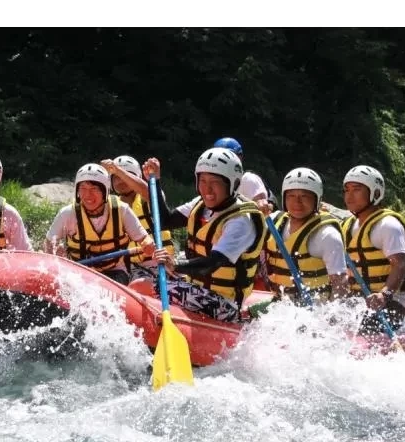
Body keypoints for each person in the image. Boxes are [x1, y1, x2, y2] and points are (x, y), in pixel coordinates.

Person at [146, 147, 267, 323]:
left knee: (144, 287)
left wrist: (175, 264)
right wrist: (155, 182)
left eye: (215, 182)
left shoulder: (241, 220)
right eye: (202, 181)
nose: (207, 189)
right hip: (197, 287)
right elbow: (166, 221)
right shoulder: (201, 204)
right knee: (143, 282)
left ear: (232, 184)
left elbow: (213, 263)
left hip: (225, 304)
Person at [43, 163, 156, 285]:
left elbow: (144, 239)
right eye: (83, 189)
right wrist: (54, 254)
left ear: (105, 191)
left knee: (116, 282)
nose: (87, 195)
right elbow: (49, 244)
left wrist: (148, 245)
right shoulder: (67, 213)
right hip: (79, 271)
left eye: (94, 189)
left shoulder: (122, 210)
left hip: (115, 271)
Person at [341, 165, 405, 334]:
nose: (349, 196)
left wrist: (384, 295)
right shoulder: (348, 225)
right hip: (357, 299)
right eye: (347, 190)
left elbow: (400, 266)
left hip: (389, 302)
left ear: (375, 193)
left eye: (357, 190)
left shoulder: (388, 225)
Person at [265, 167, 349, 304]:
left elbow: (340, 285)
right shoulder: (273, 220)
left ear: (317, 199)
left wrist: (331, 321)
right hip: (279, 304)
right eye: (291, 196)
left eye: (304, 196)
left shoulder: (327, 234)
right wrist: (258, 208)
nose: (297, 202)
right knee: (247, 314)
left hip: (314, 310)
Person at [99, 155, 176, 280]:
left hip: (159, 263)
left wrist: (117, 170)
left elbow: (149, 192)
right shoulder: (112, 206)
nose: (120, 181)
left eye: (125, 176)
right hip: (130, 267)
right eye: (115, 178)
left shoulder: (152, 197)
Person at [213, 136, 274, 215]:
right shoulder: (211, 181)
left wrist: (261, 203)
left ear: (240, 157)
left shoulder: (248, 179)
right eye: (219, 158)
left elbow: (263, 208)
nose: (223, 161)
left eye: (228, 156)